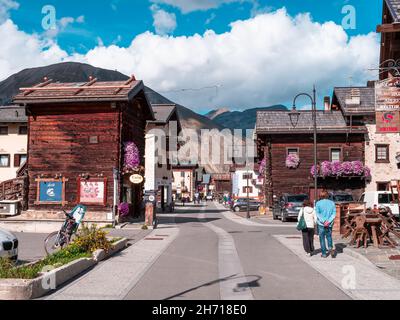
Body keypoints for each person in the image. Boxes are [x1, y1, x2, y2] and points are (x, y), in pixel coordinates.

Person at [315, 190, 337, 258]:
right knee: (329, 236)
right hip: (329, 223)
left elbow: (317, 213)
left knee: (322, 238)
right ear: (327, 195)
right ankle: (330, 247)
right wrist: (329, 221)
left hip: (321, 224)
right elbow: (334, 213)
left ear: (321, 195)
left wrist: (323, 221)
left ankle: (324, 254)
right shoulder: (332, 203)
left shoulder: (318, 203)